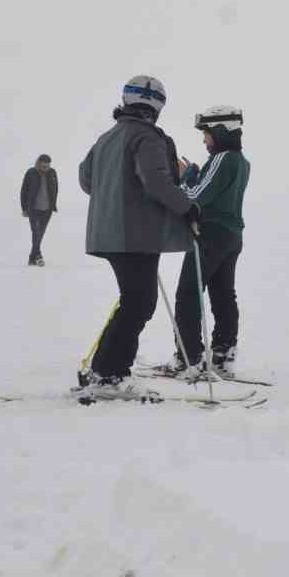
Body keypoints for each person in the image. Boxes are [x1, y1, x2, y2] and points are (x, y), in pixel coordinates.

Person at [77, 76, 196, 400]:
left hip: (110, 233)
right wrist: (188, 209)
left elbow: (86, 180)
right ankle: (109, 374)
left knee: (134, 301)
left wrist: (116, 189)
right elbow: (156, 183)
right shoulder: (147, 137)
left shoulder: (107, 138)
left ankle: (104, 369)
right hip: (135, 235)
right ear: (157, 106)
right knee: (139, 303)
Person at [158, 106, 251, 376]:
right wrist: (197, 176)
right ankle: (223, 355)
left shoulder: (223, 158)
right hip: (231, 236)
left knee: (187, 294)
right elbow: (215, 190)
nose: (204, 140)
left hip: (211, 235)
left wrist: (186, 177)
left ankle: (189, 358)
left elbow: (195, 196)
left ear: (221, 132)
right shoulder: (241, 161)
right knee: (223, 295)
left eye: (207, 134)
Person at [19, 154, 60, 265]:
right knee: (36, 232)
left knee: (40, 232)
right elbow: (24, 190)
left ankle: (33, 258)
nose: (46, 166)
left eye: (48, 164)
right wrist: (24, 208)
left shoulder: (52, 173)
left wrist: (53, 204)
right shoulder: (31, 173)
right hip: (33, 208)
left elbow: (56, 188)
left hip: (47, 209)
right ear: (39, 163)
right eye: (43, 163)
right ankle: (38, 256)